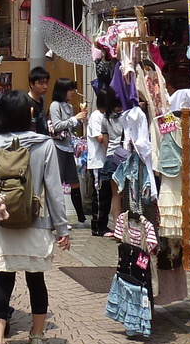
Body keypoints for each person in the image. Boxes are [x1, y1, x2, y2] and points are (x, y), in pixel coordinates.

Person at [0, 91, 71, 344]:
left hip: (1, 223)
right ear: (30, 115)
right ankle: (39, 335)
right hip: (36, 223)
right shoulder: (45, 145)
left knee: (2, 280)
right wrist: (62, 228)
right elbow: (53, 190)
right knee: (36, 280)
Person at [48, 76, 86, 224]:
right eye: (70, 89)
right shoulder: (55, 105)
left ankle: (81, 217)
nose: (73, 92)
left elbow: (70, 127)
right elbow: (57, 126)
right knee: (58, 183)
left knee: (74, 181)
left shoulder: (69, 107)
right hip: (58, 147)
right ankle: (58, 219)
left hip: (69, 147)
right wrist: (75, 118)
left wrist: (80, 119)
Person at [85, 86, 120, 234]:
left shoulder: (107, 117)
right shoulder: (96, 116)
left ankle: (103, 225)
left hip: (105, 162)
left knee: (106, 194)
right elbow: (100, 138)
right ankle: (97, 226)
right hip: (97, 162)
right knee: (100, 196)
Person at [27, 66, 51, 134]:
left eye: (46, 83)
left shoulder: (41, 100)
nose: (45, 86)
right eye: (41, 83)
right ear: (32, 84)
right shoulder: (27, 102)